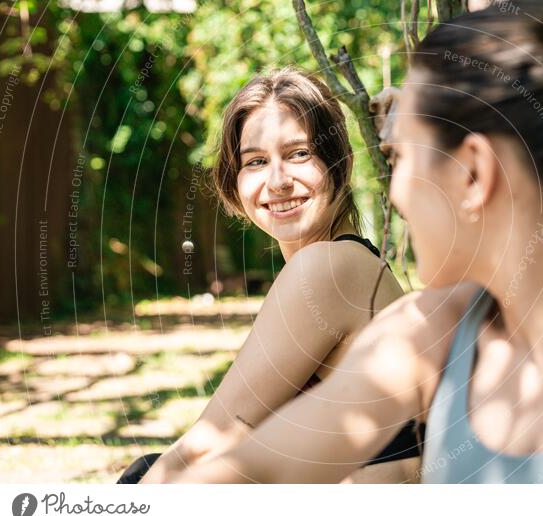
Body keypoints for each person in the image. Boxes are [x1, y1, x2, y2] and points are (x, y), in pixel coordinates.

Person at [160, 1, 543, 484]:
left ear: (474, 174)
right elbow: (257, 469)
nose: (396, 194)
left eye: (401, 157)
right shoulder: (431, 327)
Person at [126, 68, 423, 484]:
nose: (278, 181)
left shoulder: (327, 268)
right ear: (235, 180)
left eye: (299, 153)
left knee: (150, 476)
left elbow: (212, 441)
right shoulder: (355, 261)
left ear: (339, 160)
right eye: (257, 162)